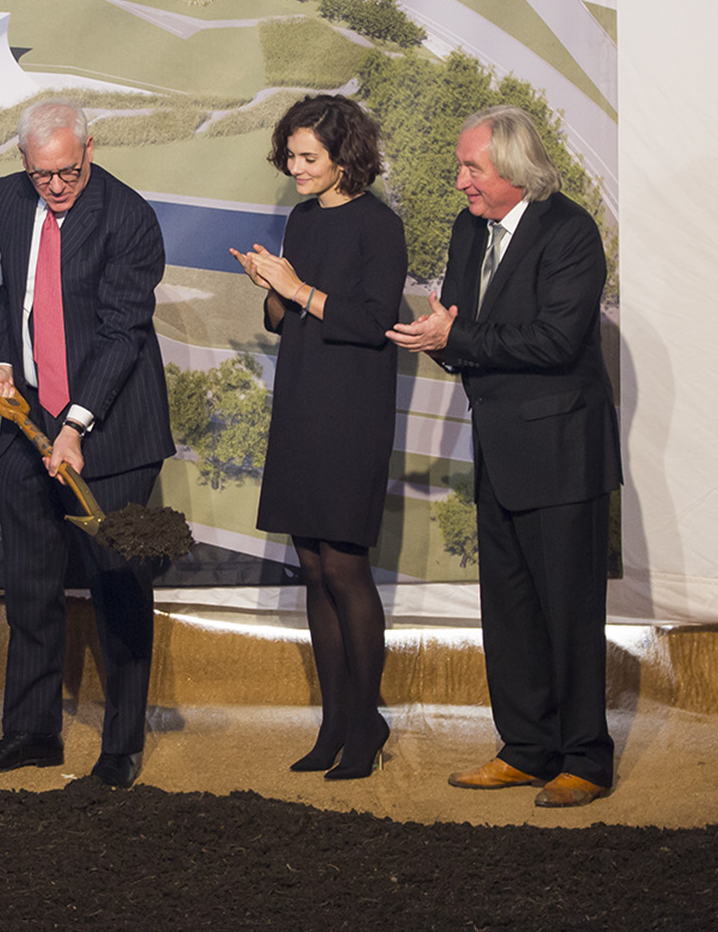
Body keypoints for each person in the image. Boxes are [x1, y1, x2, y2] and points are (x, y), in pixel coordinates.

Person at [388, 105, 621, 808]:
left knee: (568, 612)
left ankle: (585, 757)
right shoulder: (469, 228)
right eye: (461, 166)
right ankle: (524, 748)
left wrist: (459, 334)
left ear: (515, 172)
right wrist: (444, 334)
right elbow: (460, 329)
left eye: (471, 168)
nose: (460, 181)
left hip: (562, 452)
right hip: (497, 446)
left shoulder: (570, 232)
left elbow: (552, 341)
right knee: (510, 609)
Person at [0, 100, 174, 789]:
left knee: (116, 585)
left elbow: (121, 333)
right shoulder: (6, 198)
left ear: (89, 149)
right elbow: (17, 301)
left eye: (67, 171)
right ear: (22, 163)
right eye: (41, 173)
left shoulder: (128, 217)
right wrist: (1, 364)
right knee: (28, 582)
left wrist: (74, 426)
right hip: (26, 421)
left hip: (109, 428)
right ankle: (30, 731)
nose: (54, 185)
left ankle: (120, 745)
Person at [232, 94, 407, 781]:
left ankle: (365, 724)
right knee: (309, 563)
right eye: (290, 156)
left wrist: (297, 287)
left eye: (307, 157)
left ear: (344, 156)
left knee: (343, 564)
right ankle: (334, 722)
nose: (294, 168)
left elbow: (371, 322)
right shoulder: (301, 219)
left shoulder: (378, 226)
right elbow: (283, 320)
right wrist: (269, 286)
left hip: (351, 408)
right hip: (302, 400)